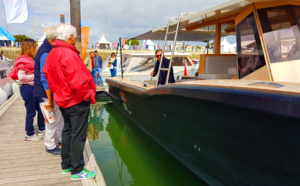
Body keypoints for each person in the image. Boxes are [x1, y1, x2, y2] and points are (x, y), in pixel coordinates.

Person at [43, 24, 97, 180]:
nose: (75, 39)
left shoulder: (53, 53)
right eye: (74, 36)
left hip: (63, 99)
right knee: (78, 134)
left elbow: (47, 73)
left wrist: (58, 90)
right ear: (70, 37)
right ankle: (77, 169)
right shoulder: (68, 54)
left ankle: (66, 165)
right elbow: (78, 81)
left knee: (67, 131)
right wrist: (87, 95)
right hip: (76, 100)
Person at [33, 26, 64, 155]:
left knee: (58, 118)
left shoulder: (46, 49)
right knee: (51, 119)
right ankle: (50, 145)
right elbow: (45, 77)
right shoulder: (46, 52)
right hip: (46, 93)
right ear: (56, 38)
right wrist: (50, 99)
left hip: (48, 92)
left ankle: (61, 140)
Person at [9, 39, 45, 141]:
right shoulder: (23, 60)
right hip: (28, 88)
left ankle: (42, 128)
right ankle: (29, 134)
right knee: (31, 112)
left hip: (34, 88)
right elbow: (21, 77)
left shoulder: (30, 59)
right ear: (30, 47)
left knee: (41, 109)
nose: (36, 48)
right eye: (35, 46)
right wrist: (37, 76)